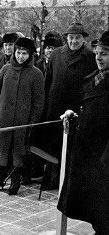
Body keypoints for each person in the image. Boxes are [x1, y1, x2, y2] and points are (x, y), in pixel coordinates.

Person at [57, 31, 109, 235]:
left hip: (104, 158)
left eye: (104, 53)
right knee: (96, 209)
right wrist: (77, 115)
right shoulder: (94, 79)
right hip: (90, 155)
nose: (98, 57)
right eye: (97, 52)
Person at [40, 22, 97, 189]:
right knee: (52, 145)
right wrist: (46, 105)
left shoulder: (90, 57)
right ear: (66, 38)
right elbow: (48, 81)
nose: (74, 41)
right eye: (71, 37)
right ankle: (49, 178)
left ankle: (66, 181)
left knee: (71, 146)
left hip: (75, 110)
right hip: (54, 107)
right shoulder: (57, 54)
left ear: (84, 39)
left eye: (77, 38)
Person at [0, 38, 45, 195]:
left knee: (17, 151)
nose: (20, 57)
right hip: (4, 117)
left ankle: (15, 181)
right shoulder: (6, 69)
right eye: (18, 53)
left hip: (22, 120)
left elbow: (39, 101)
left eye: (24, 53)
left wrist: (33, 121)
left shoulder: (36, 74)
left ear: (30, 54)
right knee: (3, 149)